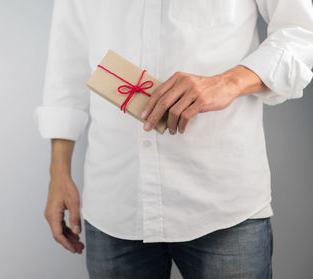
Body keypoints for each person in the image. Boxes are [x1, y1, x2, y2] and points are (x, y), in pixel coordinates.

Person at [34, 0, 313, 278]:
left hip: (222, 201)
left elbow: (303, 31)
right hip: (116, 198)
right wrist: (59, 172)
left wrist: (229, 82)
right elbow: (67, 63)